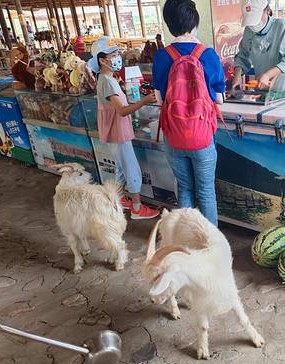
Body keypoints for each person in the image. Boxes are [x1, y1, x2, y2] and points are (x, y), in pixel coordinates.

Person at [151, 0, 225, 226]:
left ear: (169, 23)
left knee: (184, 188)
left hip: (173, 136)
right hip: (202, 136)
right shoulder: (208, 54)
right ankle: (210, 241)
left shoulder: (162, 56)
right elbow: (219, 99)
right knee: (206, 191)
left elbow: (160, 100)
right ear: (195, 22)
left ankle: (186, 238)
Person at [88, 37, 160, 220]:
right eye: (113, 55)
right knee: (131, 168)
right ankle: (136, 208)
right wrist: (144, 101)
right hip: (117, 131)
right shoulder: (107, 81)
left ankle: (119, 200)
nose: (118, 57)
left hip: (114, 131)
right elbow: (121, 111)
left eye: (117, 53)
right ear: (102, 60)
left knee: (120, 167)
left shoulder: (108, 79)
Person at [232, 0, 285, 91]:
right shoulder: (249, 31)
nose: (253, 25)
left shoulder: (281, 27)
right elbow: (243, 56)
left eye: (256, 19)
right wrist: (237, 76)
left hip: (283, 88)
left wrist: (267, 75)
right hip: (261, 88)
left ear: (267, 11)